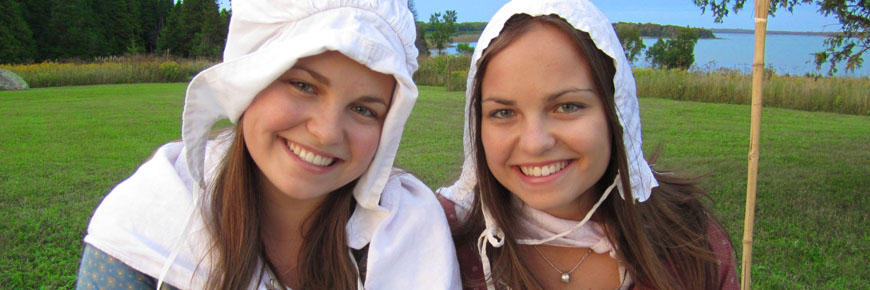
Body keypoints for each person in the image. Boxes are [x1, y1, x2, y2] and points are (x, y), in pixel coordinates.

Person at [76, 0, 461, 289]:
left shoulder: (408, 225)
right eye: (303, 86)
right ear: (251, 80)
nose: (326, 132)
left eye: (363, 109)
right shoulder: (150, 220)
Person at [437, 0, 738, 289]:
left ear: (615, 112)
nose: (535, 143)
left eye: (567, 107)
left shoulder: (691, 245)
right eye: (503, 112)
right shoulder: (437, 241)